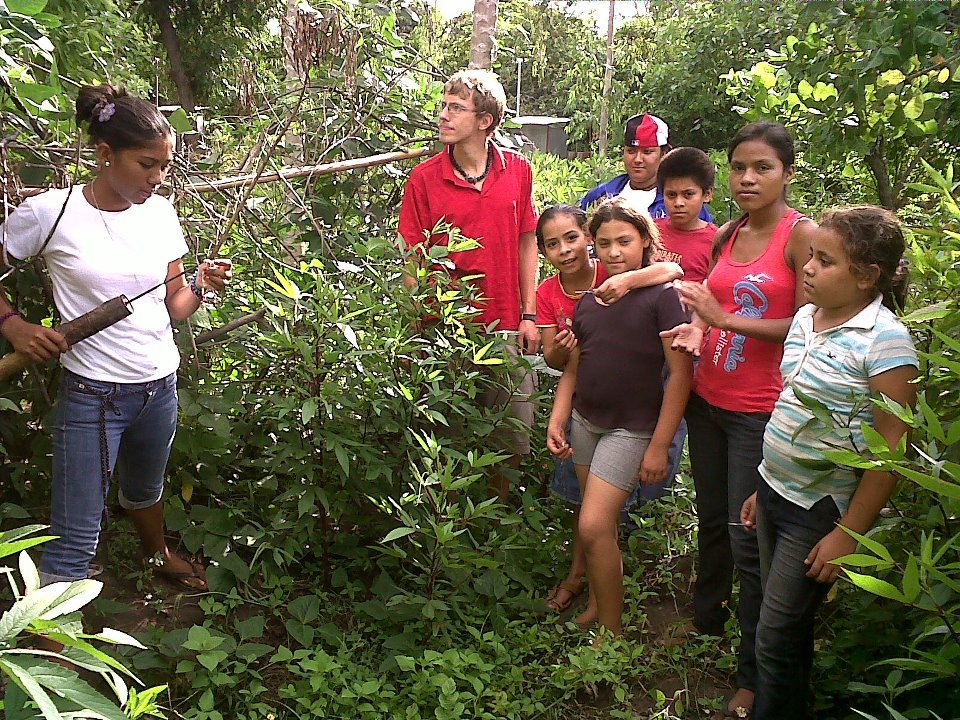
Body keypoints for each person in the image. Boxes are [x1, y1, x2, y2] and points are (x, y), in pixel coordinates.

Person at [0, 84, 231, 589]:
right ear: (105, 155)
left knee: (145, 489)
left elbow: (176, 308)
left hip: (159, 387)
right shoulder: (50, 213)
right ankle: (46, 646)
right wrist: (13, 326)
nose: (158, 178)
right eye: (147, 164)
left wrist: (203, 288)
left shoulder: (160, 214)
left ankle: (158, 556)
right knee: (76, 535)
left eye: (165, 166)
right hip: (92, 395)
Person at [661, 121, 817, 718]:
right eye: (738, 167)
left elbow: (807, 325)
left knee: (750, 540)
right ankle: (705, 624)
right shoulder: (728, 232)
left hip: (760, 413)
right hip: (708, 402)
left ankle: (752, 674)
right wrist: (697, 328)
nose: (747, 178)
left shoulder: (799, 237)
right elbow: (709, 305)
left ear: (787, 173)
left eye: (763, 167)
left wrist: (724, 321)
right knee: (712, 521)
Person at [740, 206, 918, 720]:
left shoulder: (884, 344)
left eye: (825, 260)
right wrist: (764, 484)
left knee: (776, 633)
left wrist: (849, 534)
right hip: (777, 493)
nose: (808, 268)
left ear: (866, 277)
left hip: (819, 510)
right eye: (810, 256)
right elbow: (792, 405)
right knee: (783, 631)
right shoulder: (805, 318)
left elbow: (891, 452)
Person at [546, 198, 692, 635]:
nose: (613, 252)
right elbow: (574, 364)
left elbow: (680, 375)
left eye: (624, 242)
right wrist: (558, 417)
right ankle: (595, 602)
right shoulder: (590, 301)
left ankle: (611, 632)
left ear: (646, 241)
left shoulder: (662, 298)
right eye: (604, 243)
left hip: (631, 429)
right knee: (599, 527)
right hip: (586, 423)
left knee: (591, 525)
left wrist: (660, 445)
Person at [397, 69, 538, 502]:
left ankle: (499, 520)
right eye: (444, 105)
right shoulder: (423, 178)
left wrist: (530, 315)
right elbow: (412, 258)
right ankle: (450, 527)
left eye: (456, 108)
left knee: (513, 436)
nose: (443, 115)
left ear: (485, 121)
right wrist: (418, 327)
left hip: (506, 327)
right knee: (445, 438)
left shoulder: (517, 171)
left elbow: (526, 239)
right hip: (447, 331)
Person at [579, 113, 713, 222]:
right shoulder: (603, 194)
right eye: (631, 151)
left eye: (647, 152)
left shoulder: (679, 200)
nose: (637, 159)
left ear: (664, 154)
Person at [653, 147, 719, 284]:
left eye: (688, 194)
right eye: (671, 195)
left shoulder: (716, 241)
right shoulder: (650, 230)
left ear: (707, 194)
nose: (678, 203)